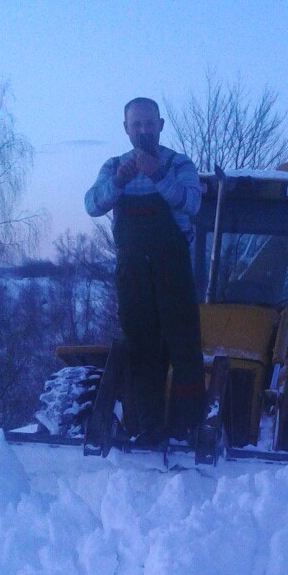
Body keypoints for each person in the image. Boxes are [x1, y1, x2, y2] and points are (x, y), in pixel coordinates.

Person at [84, 97, 206, 441]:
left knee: (184, 347)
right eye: (136, 124)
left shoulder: (179, 164)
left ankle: (189, 428)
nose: (143, 130)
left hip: (174, 270)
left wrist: (158, 175)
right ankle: (148, 429)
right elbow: (92, 204)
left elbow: (192, 203)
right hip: (133, 273)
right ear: (126, 128)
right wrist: (118, 183)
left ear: (160, 125)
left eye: (149, 123)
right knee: (142, 350)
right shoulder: (113, 167)